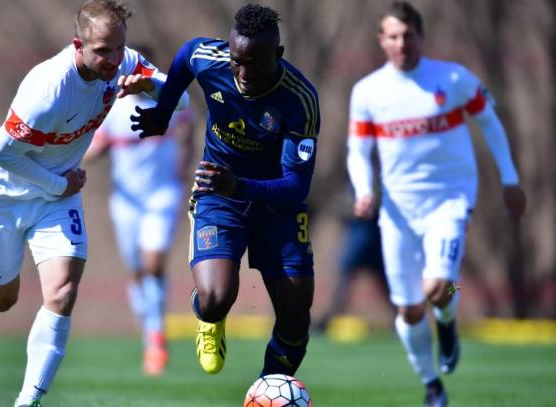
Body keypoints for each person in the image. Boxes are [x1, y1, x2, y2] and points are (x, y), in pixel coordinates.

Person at [0, 1, 187, 405]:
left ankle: (28, 400)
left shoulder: (125, 62)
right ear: (78, 44)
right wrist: (56, 182)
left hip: (56, 198)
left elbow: (180, 102)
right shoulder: (46, 88)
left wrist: (149, 86)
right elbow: (1, 157)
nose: (113, 60)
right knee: (1, 301)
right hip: (5, 193)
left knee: (62, 292)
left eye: (118, 48)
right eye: (102, 50)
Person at [346, 2, 526, 406]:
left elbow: (490, 124)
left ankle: (447, 321)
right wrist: (364, 189)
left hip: (449, 200)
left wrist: (510, 179)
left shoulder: (454, 79)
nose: (401, 43)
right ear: (382, 41)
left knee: (438, 286)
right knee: (409, 310)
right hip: (397, 212)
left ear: (420, 37)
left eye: (408, 35)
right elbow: (357, 150)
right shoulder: (368, 92)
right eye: (393, 36)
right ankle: (432, 384)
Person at [131, 4, 320, 377]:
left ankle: (268, 390)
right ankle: (208, 316)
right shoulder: (211, 59)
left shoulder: (299, 100)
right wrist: (164, 111)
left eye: (255, 63)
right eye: (237, 60)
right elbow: (186, 55)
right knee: (217, 297)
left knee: (296, 316)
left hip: (275, 203)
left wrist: (242, 186)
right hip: (218, 193)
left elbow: (297, 186)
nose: (243, 73)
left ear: (277, 55)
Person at [84, 44, 195, 376]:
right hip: (126, 202)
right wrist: (61, 162)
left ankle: (157, 335)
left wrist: (185, 162)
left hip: (162, 195)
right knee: (135, 271)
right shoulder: (112, 109)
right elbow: (96, 146)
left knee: (153, 263)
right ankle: (150, 336)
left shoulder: (166, 99)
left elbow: (189, 122)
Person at [313, 189, 389, 333]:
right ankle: (327, 317)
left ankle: (405, 317)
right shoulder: (358, 180)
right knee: (344, 274)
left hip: (373, 231)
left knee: (347, 273)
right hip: (361, 230)